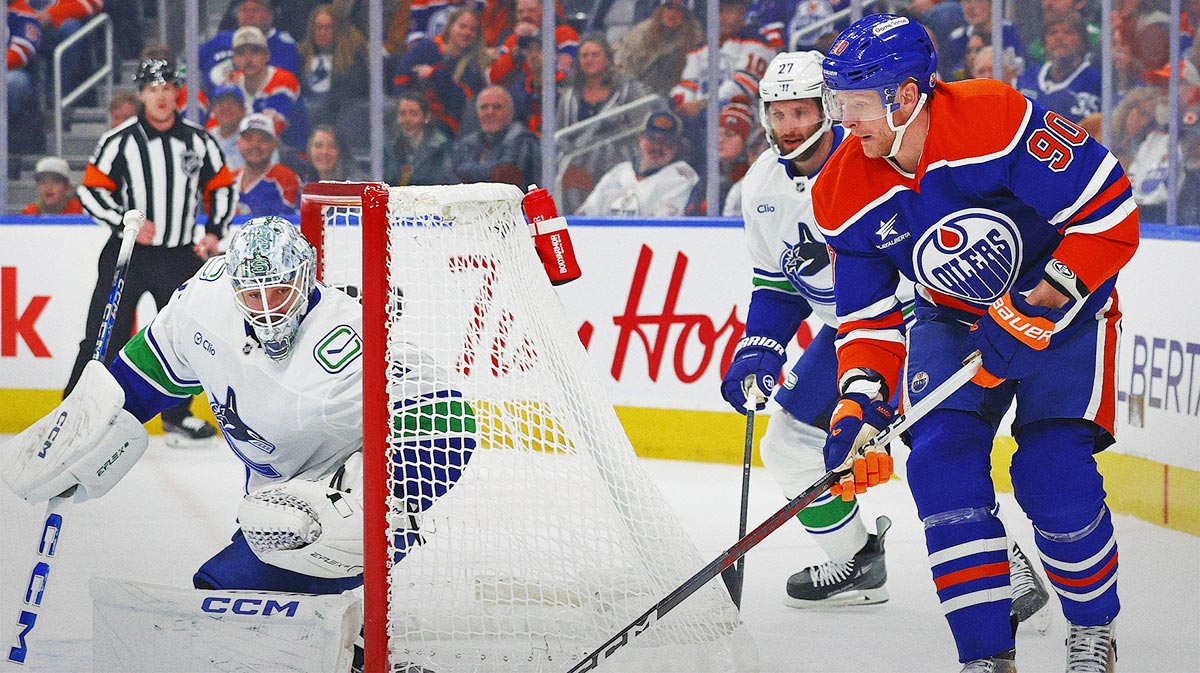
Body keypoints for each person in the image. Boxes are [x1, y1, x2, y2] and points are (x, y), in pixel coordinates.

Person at [2, 217, 477, 672]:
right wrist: (88, 428)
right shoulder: (205, 304)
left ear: (307, 278)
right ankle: (344, 650)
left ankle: (348, 650)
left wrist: (376, 500)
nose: (267, 307)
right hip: (268, 512)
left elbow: (451, 420)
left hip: (350, 518)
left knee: (224, 599)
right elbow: (146, 378)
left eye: (280, 291)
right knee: (228, 610)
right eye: (253, 293)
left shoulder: (349, 336)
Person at [815, 14, 1134, 671]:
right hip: (952, 320)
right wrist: (856, 405)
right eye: (836, 104)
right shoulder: (842, 188)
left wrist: (1038, 303)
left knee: (1052, 474)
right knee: (939, 464)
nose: (844, 122)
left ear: (905, 96)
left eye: (854, 104)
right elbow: (869, 320)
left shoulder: (994, 118)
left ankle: (1092, 627)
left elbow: (1111, 214)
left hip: (1067, 310)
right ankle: (986, 656)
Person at [70, 58, 235, 447]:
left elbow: (223, 186)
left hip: (179, 255)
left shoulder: (199, 140)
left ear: (177, 91)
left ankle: (177, 416)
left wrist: (212, 234)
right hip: (128, 253)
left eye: (166, 89)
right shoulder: (120, 140)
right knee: (103, 334)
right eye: (152, 89)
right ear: (141, 94)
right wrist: (123, 219)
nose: (160, 97)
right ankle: (75, 414)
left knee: (183, 339)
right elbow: (90, 191)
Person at [388, 6, 490, 137]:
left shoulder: (474, 66)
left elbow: (459, 101)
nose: (467, 33)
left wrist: (434, 75)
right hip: (412, 111)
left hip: (444, 123)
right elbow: (401, 78)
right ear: (450, 27)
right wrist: (410, 106)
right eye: (462, 27)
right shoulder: (426, 47)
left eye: (472, 30)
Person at [576, 110, 698, 217]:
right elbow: (586, 213)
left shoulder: (681, 177)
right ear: (640, 139)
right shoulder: (619, 172)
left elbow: (662, 227)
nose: (658, 146)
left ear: (677, 147)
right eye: (652, 139)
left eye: (667, 142)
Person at [227, 25, 309, 152]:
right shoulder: (231, 85)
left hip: (290, 153)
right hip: (244, 154)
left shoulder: (284, 81)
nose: (248, 59)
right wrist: (229, 92)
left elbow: (266, 132)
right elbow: (216, 128)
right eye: (241, 53)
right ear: (235, 59)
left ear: (266, 55)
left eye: (255, 51)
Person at [443, 85, 541, 187]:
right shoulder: (467, 143)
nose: (490, 112)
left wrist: (466, 173)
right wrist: (490, 172)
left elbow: (506, 174)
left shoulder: (523, 140)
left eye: (497, 107)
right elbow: (450, 174)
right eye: (484, 107)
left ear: (511, 112)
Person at [1015, 13, 1101, 124]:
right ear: (1044, 44)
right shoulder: (1027, 78)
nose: (1059, 38)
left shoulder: (1096, 82)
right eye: (1052, 33)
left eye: (1068, 32)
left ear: (1082, 43)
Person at [199, 0, 301, 92]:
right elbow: (186, 65)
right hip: (215, 105)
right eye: (244, 10)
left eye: (255, 10)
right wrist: (183, 78)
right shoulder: (220, 39)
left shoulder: (284, 45)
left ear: (270, 15)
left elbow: (283, 82)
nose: (249, 15)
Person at [614, 0, 704, 100]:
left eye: (679, 10)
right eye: (669, 7)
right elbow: (623, 68)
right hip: (637, 92)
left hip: (677, 96)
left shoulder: (695, 40)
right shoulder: (641, 33)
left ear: (687, 16)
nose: (673, 14)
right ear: (660, 10)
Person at [297, 3, 369, 128]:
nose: (322, 32)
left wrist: (327, 104)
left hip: (340, 114)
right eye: (318, 27)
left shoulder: (352, 55)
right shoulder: (302, 54)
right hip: (309, 113)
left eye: (328, 28)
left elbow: (355, 88)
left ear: (337, 29)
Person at [232, 112, 304, 216]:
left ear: (274, 143)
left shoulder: (287, 180)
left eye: (262, 139)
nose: (255, 145)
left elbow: (294, 225)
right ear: (238, 143)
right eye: (248, 139)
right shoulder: (227, 180)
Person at [384, 94, 453, 186]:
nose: (407, 120)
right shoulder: (389, 148)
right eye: (402, 113)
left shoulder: (442, 148)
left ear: (426, 117)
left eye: (413, 114)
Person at [206, 84, 249, 170]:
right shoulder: (205, 138)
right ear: (213, 110)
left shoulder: (253, 140)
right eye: (221, 102)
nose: (226, 107)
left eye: (232, 102)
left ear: (243, 110)